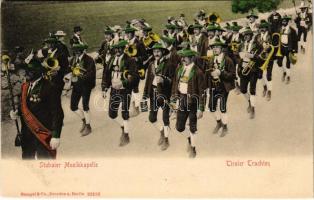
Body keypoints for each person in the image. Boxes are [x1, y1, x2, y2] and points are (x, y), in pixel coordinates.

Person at [10, 59, 64, 159]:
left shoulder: (50, 87)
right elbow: (24, 104)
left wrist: (56, 135)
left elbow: (57, 113)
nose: (26, 73)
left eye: (30, 71)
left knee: (45, 164)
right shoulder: (25, 86)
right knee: (27, 163)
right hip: (27, 134)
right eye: (26, 71)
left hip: (43, 134)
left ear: (38, 72)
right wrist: (17, 112)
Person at [101, 40, 138, 147]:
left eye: (120, 48)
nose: (117, 50)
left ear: (124, 48)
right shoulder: (111, 59)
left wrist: (123, 82)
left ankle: (126, 135)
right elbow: (106, 74)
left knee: (124, 112)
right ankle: (123, 126)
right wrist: (104, 88)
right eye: (116, 48)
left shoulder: (130, 60)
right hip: (114, 90)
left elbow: (135, 77)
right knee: (112, 114)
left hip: (125, 90)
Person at [171, 48, 206, 158]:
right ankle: (190, 139)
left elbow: (202, 92)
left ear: (191, 58)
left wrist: (201, 108)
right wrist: (174, 100)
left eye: (185, 57)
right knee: (179, 127)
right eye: (181, 57)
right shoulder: (180, 69)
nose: (182, 59)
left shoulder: (198, 72)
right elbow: (175, 85)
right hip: (182, 100)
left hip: (193, 102)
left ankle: (193, 148)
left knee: (192, 127)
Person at [143, 43, 175, 150]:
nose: (156, 53)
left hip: (165, 94)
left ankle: (166, 139)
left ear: (162, 52)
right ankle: (162, 131)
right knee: (152, 118)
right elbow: (148, 81)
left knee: (165, 118)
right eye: (154, 51)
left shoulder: (169, 64)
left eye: (158, 51)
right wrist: (145, 95)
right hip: (153, 93)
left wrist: (164, 80)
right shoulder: (151, 64)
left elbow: (173, 80)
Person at [205, 38, 236, 137]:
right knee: (211, 107)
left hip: (223, 87)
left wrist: (221, 73)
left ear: (222, 49)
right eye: (213, 48)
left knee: (222, 108)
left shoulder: (228, 60)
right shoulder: (211, 59)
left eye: (217, 47)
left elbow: (233, 75)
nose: (215, 49)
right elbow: (208, 71)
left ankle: (225, 127)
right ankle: (219, 122)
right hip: (214, 86)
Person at [69, 43, 96, 136]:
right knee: (73, 106)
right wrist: (69, 77)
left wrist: (81, 76)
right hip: (76, 85)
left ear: (81, 50)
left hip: (86, 85)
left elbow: (91, 74)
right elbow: (71, 70)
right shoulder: (73, 59)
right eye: (74, 50)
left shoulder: (89, 60)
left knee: (85, 105)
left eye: (77, 50)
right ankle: (84, 120)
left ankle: (88, 126)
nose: (75, 52)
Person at [238, 27, 263, 119]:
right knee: (243, 90)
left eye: (248, 35)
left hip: (253, 69)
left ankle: (253, 108)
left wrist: (253, 56)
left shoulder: (257, 45)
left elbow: (262, 58)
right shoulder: (241, 45)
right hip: (243, 68)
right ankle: (249, 101)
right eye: (244, 35)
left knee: (252, 90)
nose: (246, 37)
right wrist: (240, 58)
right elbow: (237, 56)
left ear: (251, 35)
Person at [277, 15, 298, 84]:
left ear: (287, 21)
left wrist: (295, 50)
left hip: (289, 48)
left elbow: (295, 40)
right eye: (283, 21)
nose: (284, 22)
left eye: (285, 21)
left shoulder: (292, 30)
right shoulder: (279, 29)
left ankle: (288, 76)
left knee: (288, 63)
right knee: (279, 63)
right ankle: (284, 72)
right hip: (281, 48)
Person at [256, 20, 274, 101]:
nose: (262, 29)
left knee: (269, 75)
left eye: (263, 28)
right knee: (259, 75)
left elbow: (273, 45)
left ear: (266, 28)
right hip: (260, 58)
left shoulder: (270, 36)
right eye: (260, 28)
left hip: (269, 57)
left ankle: (269, 91)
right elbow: (256, 46)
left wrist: (268, 47)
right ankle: (264, 87)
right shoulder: (257, 36)